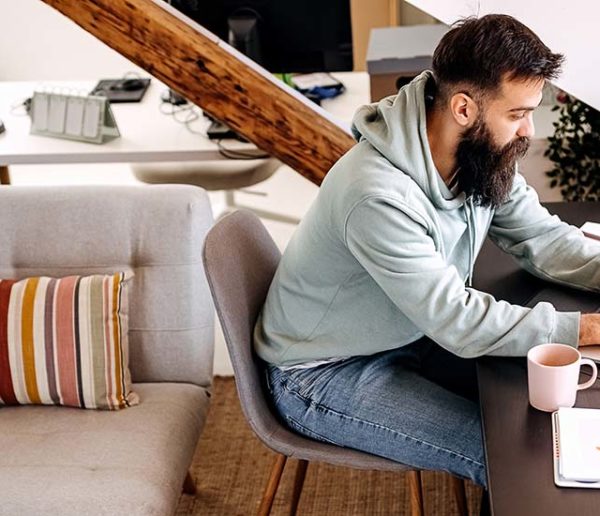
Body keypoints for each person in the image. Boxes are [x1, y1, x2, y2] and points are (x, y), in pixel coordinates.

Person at [253, 14, 600, 488]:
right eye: (517, 114)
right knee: (511, 456)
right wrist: (586, 328)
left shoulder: (478, 157)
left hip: (408, 333)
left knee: (547, 410)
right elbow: (456, 319)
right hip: (322, 372)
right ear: (463, 109)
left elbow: (544, 239)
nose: (528, 132)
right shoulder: (377, 195)